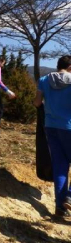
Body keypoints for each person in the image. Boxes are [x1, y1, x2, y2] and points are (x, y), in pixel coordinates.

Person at [33, 55, 71, 220]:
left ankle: (60, 207)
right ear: (70, 67)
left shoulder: (44, 79)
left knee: (60, 167)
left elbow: (36, 102)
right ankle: (69, 197)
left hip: (50, 127)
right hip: (69, 126)